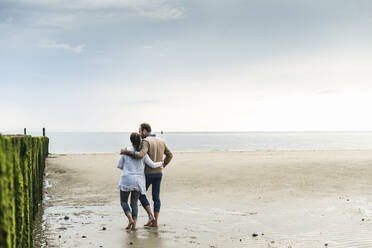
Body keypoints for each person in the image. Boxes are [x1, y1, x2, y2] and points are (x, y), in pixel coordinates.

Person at [121, 123, 173, 227]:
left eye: (140, 131)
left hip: (148, 173)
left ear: (145, 131)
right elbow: (170, 155)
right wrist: (163, 165)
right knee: (156, 197)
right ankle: (155, 221)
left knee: (140, 195)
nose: (139, 134)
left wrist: (127, 152)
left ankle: (151, 217)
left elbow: (141, 155)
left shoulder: (146, 141)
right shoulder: (161, 141)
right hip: (159, 173)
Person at [117, 132, 163, 230]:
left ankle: (130, 219)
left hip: (127, 179)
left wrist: (127, 169)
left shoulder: (126, 151)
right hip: (138, 181)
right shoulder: (143, 154)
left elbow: (119, 165)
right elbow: (153, 165)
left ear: (131, 141)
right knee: (134, 203)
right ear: (140, 141)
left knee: (124, 202)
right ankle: (134, 224)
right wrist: (161, 163)